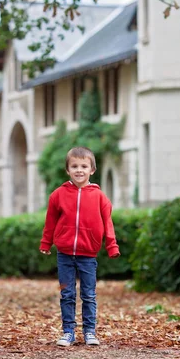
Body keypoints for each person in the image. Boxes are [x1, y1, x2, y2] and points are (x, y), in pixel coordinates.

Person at [40, 146, 120, 347]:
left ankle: (90, 332)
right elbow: (50, 221)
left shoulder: (100, 197)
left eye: (84, 166)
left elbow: (107, 222)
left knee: (89, 294)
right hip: (65, 254)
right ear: (67, 170)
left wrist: (112, 246)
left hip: (88, 255)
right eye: (74, 166)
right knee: (67, 293)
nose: (79, 170)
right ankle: (68, 332)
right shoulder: (58, 195)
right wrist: (46, 242)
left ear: (92, 170)